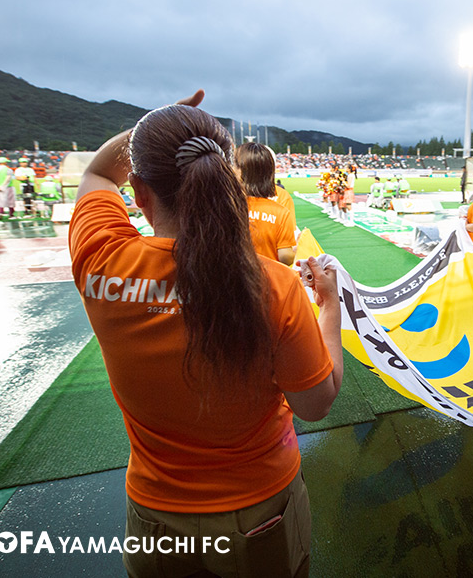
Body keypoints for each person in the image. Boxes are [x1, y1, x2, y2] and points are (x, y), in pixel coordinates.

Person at [69, 91, 342, 577]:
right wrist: (330, 307)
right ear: (226, 180)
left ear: (140, 192)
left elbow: (97, 175)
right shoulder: (272, 286)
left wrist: (153, 129)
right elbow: (315, 403)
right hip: (259, 511)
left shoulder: (102, 261)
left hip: (154, 515)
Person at [236, 142, 298, 265]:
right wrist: (296, 251)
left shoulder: (228, 206)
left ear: (241, 171)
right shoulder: (281, 212)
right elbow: (285, 257)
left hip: (235, 274)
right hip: (269, 274)